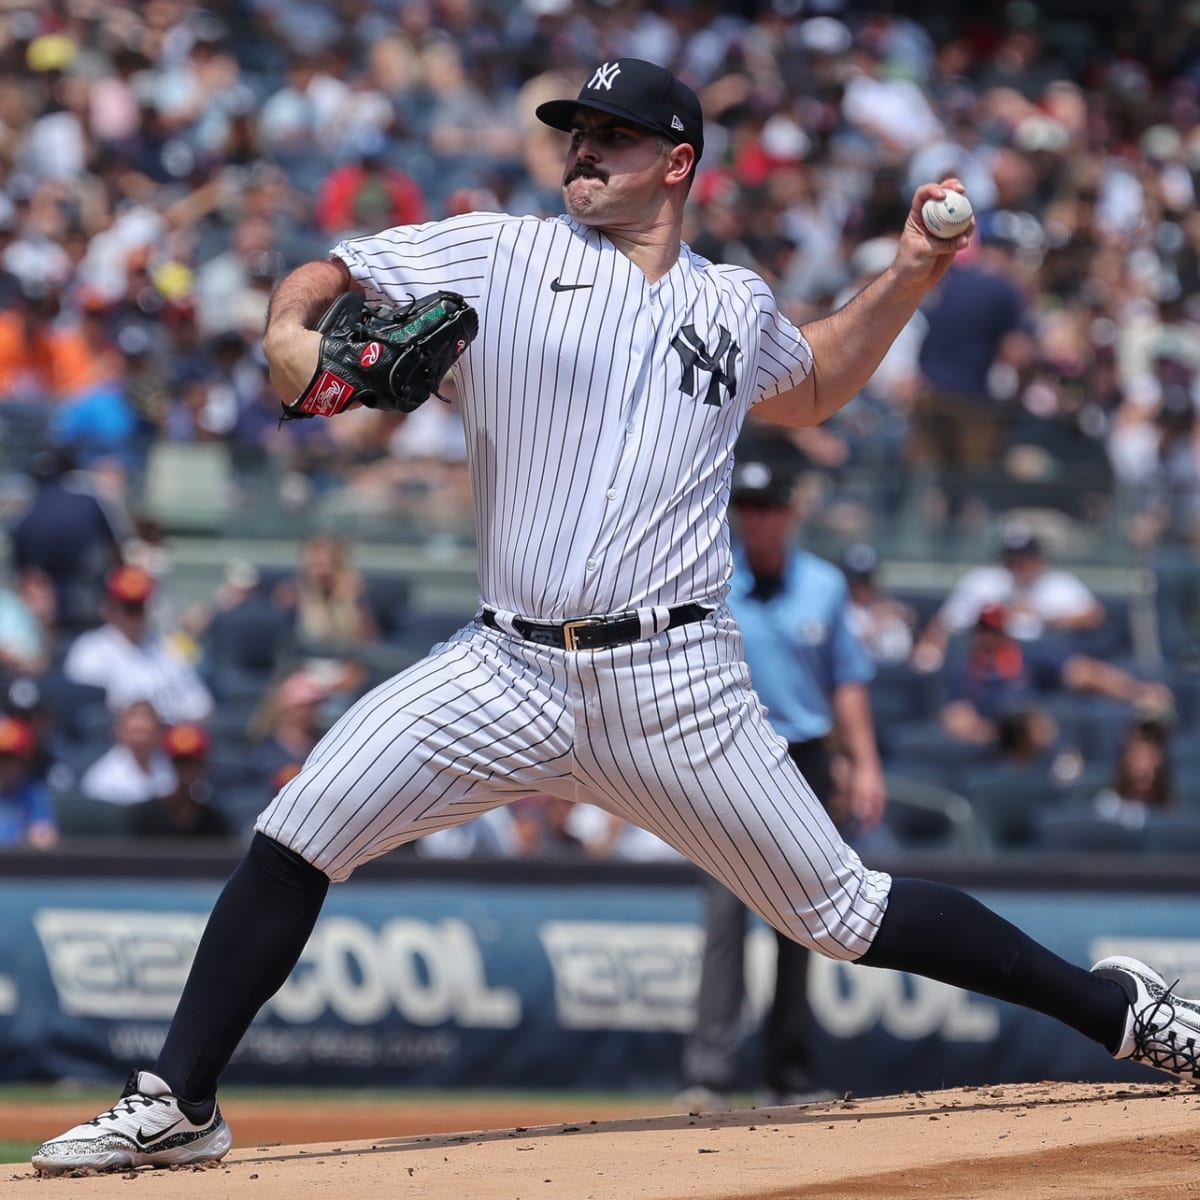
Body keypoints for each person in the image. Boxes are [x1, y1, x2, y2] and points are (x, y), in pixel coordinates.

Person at [33, 58, 1200, 1175]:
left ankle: (1123, 1009)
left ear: (677, 161)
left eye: (611, 138)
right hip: (502, 667)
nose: (581, 152)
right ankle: (178, 1103)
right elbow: (327, 273)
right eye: (573, 134)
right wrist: (293, 337)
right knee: (299, 834)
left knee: (843, 914)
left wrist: (908, 270)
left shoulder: (731, 302)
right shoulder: (502, 250)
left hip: (675, 683)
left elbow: (822, 382)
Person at [679, 449, 885, 1110]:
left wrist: (866, 763)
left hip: (805, 758)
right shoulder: (710, 579)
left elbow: (846, 682)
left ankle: (787, 1075)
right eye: (746, 507)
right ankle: (711, 1074)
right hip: (728, 756)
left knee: (806, 922)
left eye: (768, 507)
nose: (756, 520)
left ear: (791, 512)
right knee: (723, 918)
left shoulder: (824, 585)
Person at [911, 522, 1105, 673]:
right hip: (987, 660)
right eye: (1011, 560)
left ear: (1037, 559)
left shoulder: (1058, 584)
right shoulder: (984, 581)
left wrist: (1044, 615)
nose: (1017, 567)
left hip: (1045, 660)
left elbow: (1094, 616)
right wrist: (928, 653)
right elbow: (946, 622)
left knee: (1078, 669)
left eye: (1023, 560)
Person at [61, 565, 214, 725]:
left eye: (139, 608)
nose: (135, 616)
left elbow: (201, 705)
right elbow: (88, 714)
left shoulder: (167, 647)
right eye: (129, 608)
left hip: (167, 736)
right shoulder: (89, 650)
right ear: (110, 608)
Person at [0, 714, 57, 849]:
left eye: (12, 760)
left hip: (19, 865)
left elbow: (46, 838)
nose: (6, 766)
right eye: (2, 759)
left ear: (24, 763)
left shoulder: (34, 794)